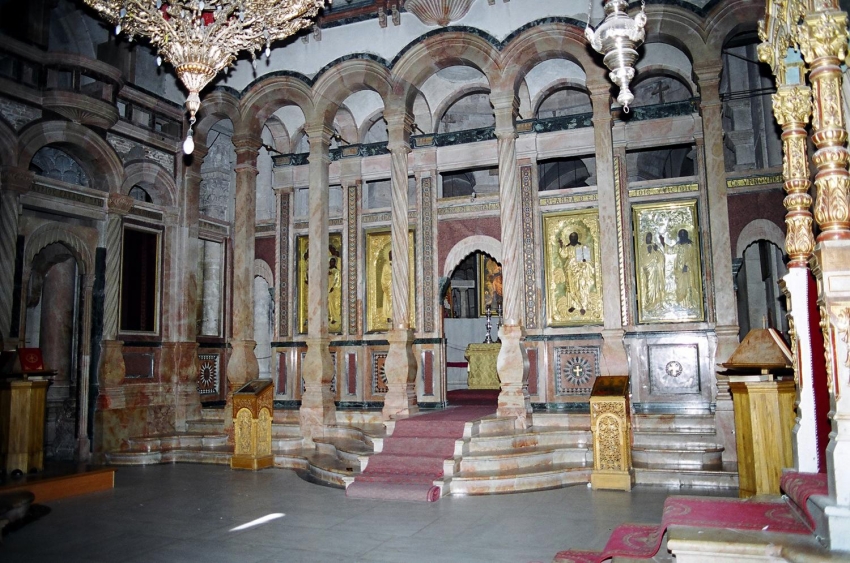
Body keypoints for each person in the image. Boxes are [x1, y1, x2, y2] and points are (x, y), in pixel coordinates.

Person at [660, 229, 698, 309]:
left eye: (683, 234)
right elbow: (670, 250)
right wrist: (663, 242)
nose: (682, 236)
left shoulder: (690, 245)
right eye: (680, 234)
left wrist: (687, 265)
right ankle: (681, 303)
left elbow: (694, 257)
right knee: (680, 287)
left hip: (687, 270)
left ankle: (689, 303)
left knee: (687, 286)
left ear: (686, 235)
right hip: (678, 270)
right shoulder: (678, 245)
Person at [558, 231, 594, 315]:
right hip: (570, 269)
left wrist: (584, 260)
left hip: (580, 269)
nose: (573, 238)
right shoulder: (567, 247)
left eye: (575, 237)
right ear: (570, 239)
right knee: (571, 287)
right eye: (572, 237)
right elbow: (563, 255)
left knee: (580, 287)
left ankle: (583, 306)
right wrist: (561, 245)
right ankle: (573, 305)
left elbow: (587, 258)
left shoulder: (581, 247)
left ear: (577, 238)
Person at [641, 232, 665, 311]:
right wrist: (649, 253)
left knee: (656, 286)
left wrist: (656, 250)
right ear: (645, 237)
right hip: (648, 271)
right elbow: (642, 260)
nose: (649, 238)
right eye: (648, 237)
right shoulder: (643, 247)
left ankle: (656, 303)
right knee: (649, 286)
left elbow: (661, 256)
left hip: (655, 270)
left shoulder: (654, 245)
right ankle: (649, 303)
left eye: (650, 237)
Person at [327, 257, 341, 328]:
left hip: (333, 290)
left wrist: (333, 287)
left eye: (333, 261)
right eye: (330, 261)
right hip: (327, 289)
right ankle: (330, 317)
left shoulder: (336, 271)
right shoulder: (327, 271)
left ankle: (335, 318)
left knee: (334, 304)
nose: (331, 263)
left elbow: (337, 280)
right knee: (328, 304)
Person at [381, 250, 393, 324]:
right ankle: (389, 316)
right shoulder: (386, 266)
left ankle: (395, 316)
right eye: (391, 255)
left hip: (395, 285)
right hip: (389, 285)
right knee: (390, 300)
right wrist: (385, 286)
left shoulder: (398, 264)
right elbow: (383, 277)